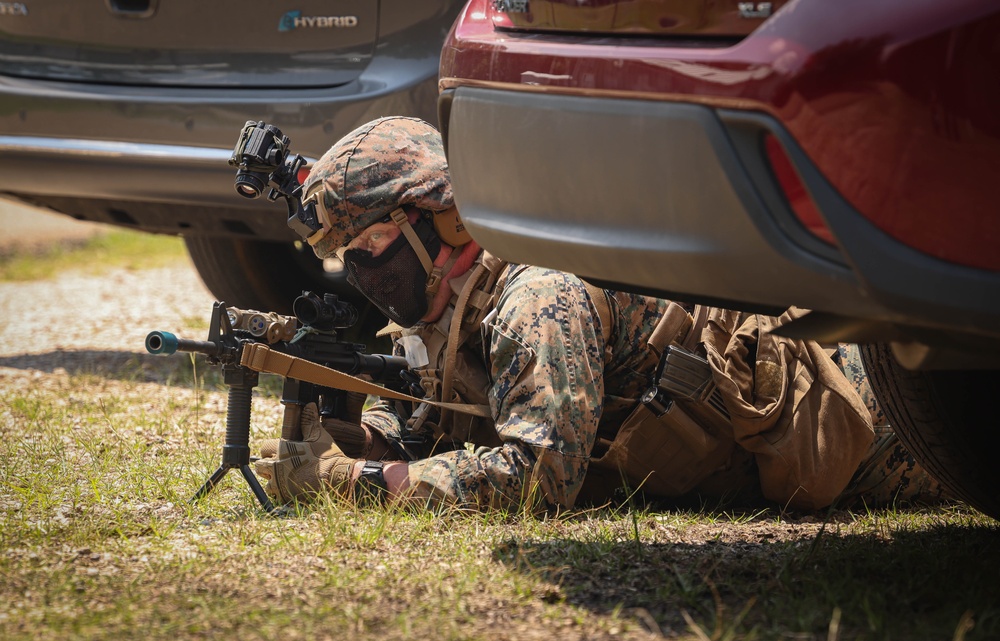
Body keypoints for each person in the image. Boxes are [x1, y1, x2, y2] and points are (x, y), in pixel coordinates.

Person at [254, 116, 946, 514]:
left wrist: (360, 484)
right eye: (349, 254)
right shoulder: (444, 296)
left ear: (444, 223)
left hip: (891, 438)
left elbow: (539, 479)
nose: (364, 271)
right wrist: (362, 437)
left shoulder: (538, 299)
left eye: (370, 244)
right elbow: (426, 412)